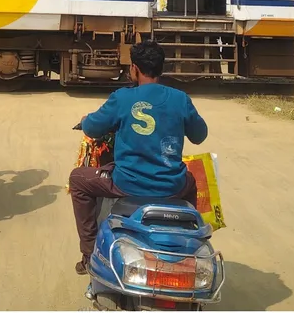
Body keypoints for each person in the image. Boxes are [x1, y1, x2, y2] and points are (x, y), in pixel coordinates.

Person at [68, 40, 208, 275]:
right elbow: (200, 135)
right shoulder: (180, 98)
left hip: (127, 184)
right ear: (161, 68)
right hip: (172, 186)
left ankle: (89, 253)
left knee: (78, 179)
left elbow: (92, 128)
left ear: (134, 68)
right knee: (191, 180)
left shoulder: (122, 97)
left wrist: (85, 120)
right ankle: (189, 241)